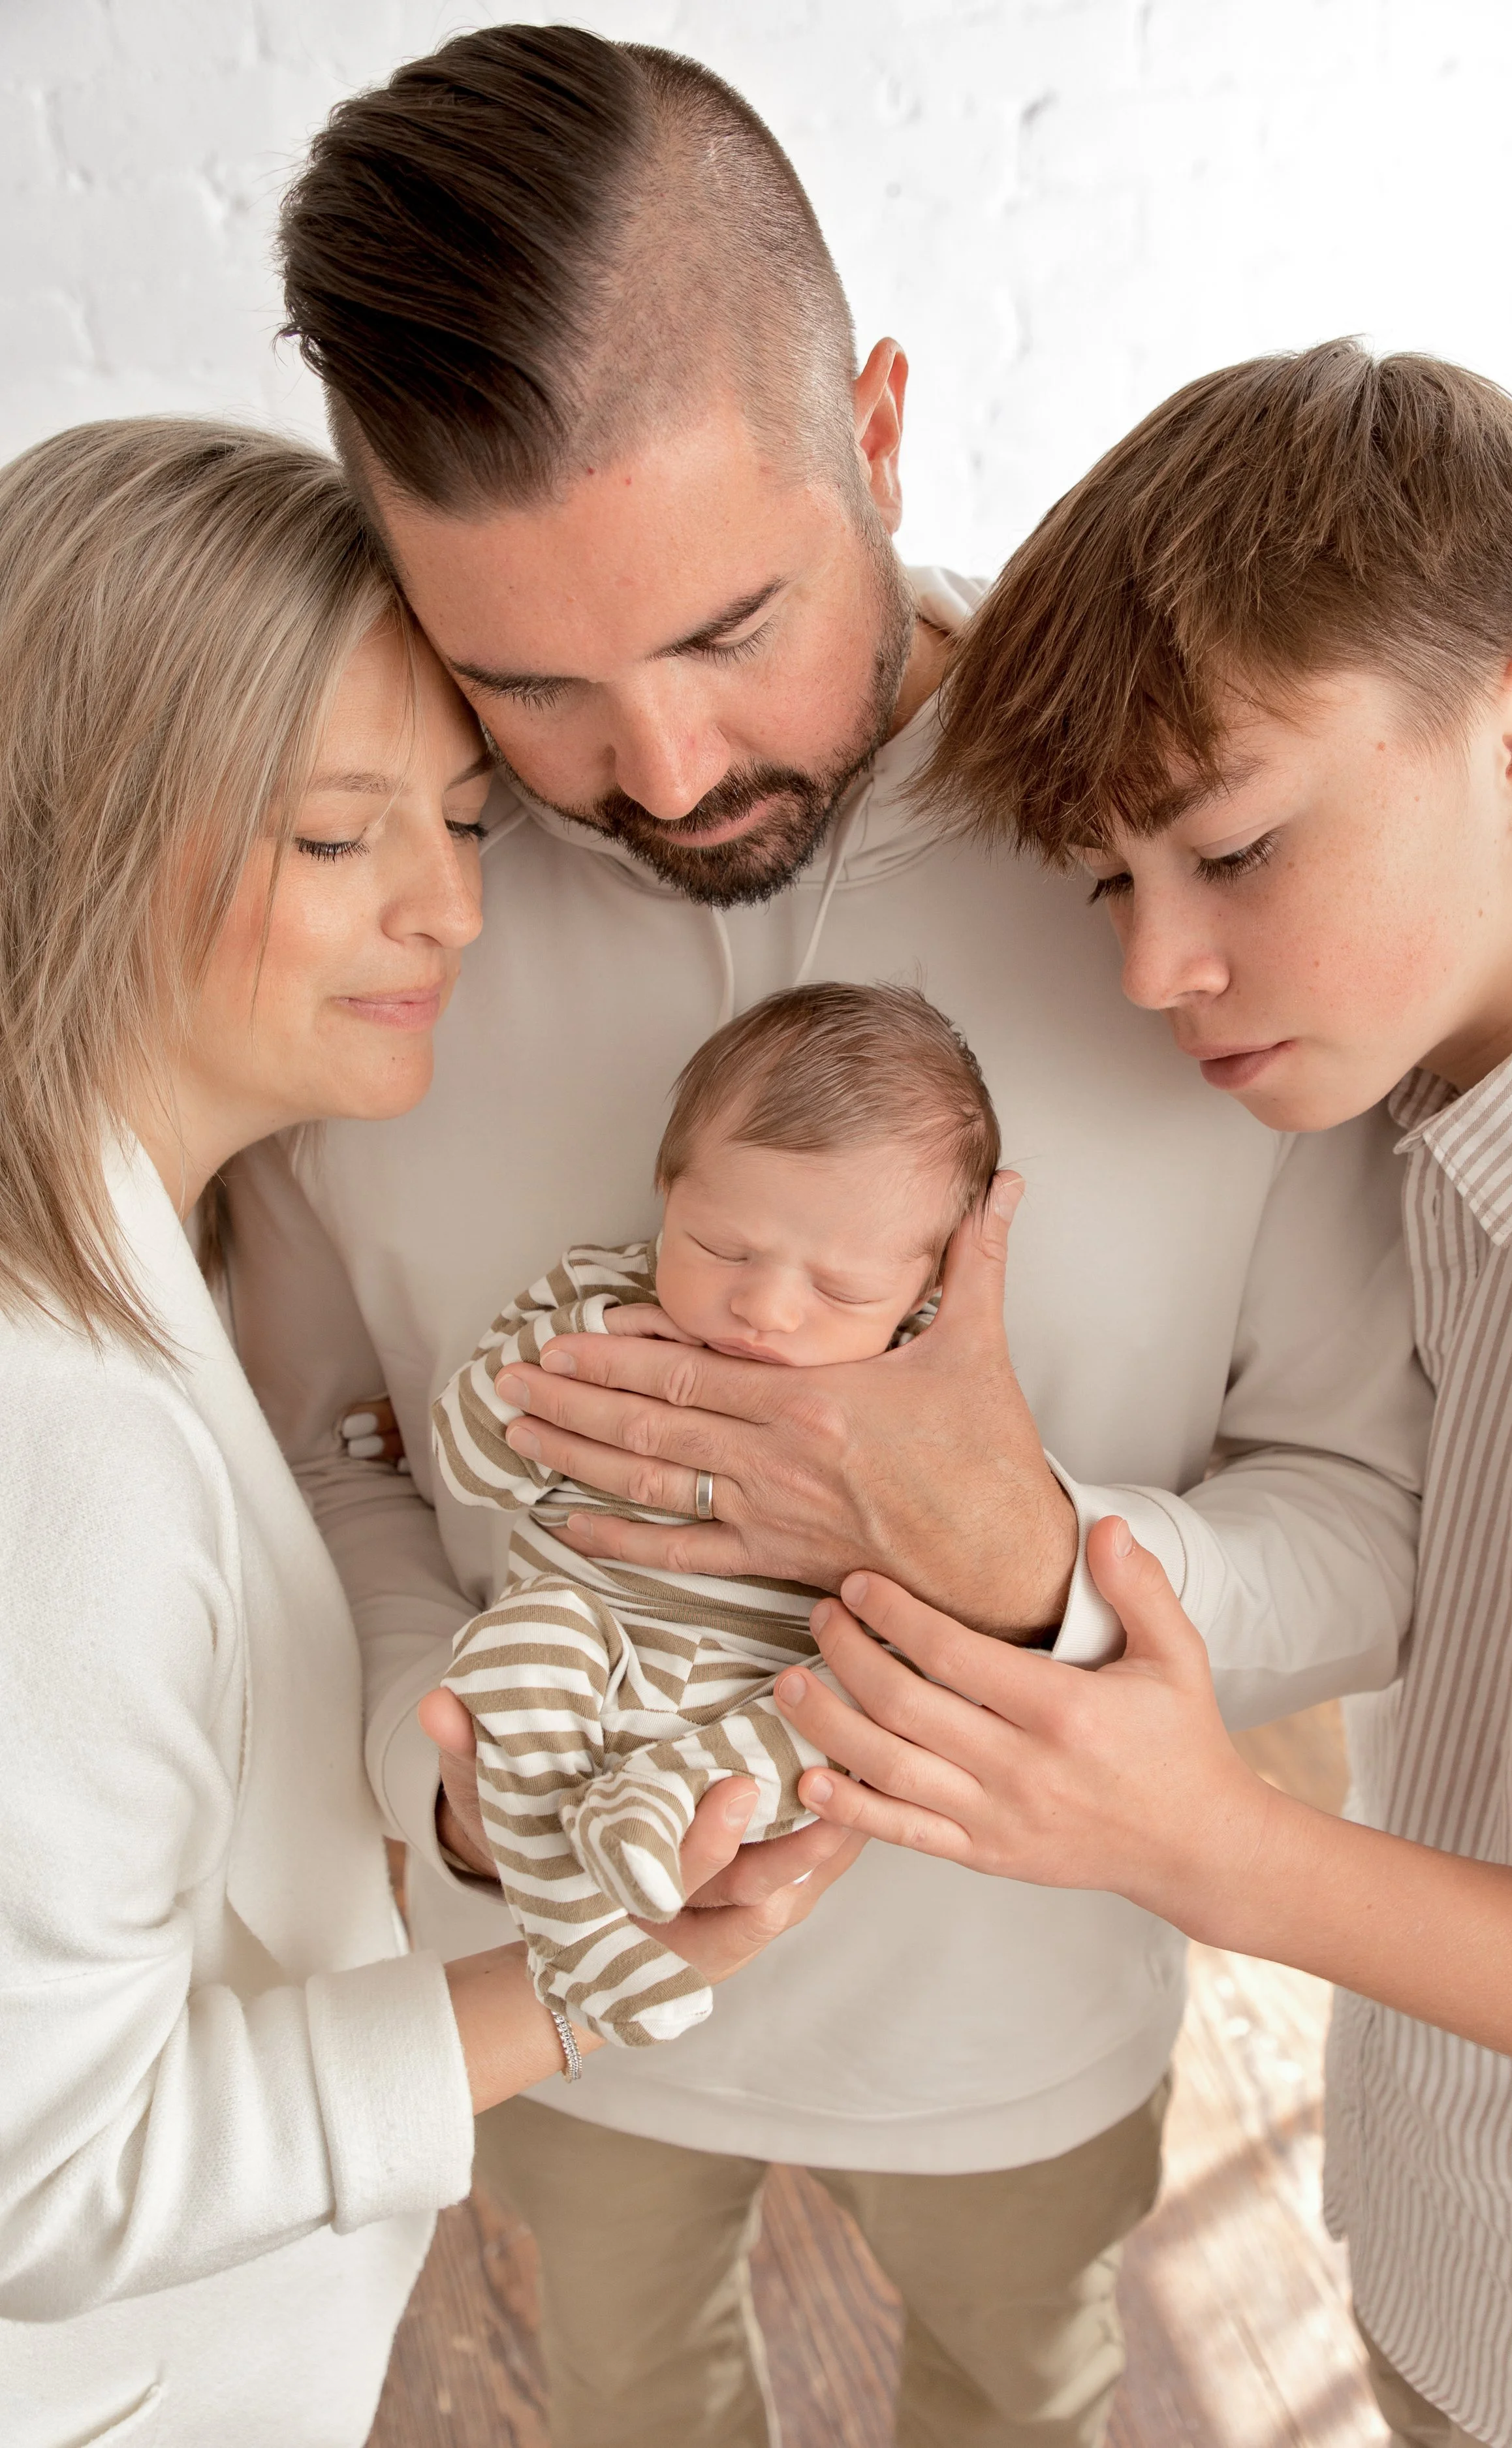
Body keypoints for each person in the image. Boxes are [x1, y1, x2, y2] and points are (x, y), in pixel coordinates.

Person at [234, 25, 1430, 2446]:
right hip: (543, 1996)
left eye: (726, 627)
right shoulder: (362, 921)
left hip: (1036, 2047)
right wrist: (431, 1756)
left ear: (879, 426)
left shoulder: (1182, 890)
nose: (659, 778)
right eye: (531, 683)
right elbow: (321, 1436)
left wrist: (1041, 1564)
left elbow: (1371, 1515)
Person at [775, 341, 1512, 2448]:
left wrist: (1205, 1844)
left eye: (1235, 853)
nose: (1157, 972)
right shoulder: (1428, 1094)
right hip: (1473, 2280)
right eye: (1114, 884)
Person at [0, 416, 851, 2448]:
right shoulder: (69, 1434)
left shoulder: (159, 1262)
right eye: (333, 836)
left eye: (463, 823)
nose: (448, 913)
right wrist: (574, 1983)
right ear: (74, 827)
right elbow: (44, 2170)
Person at [433, 982, 1000, 2047]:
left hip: (753, 1710)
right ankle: (578, 1938)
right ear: (667, 1190)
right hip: (579, 1664)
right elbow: (462, 1460)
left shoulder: (912, 1401)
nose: (766, 1309)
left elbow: (963, 1564)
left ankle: (657, 1798)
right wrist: (544, 1374)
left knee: (859, 1709)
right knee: (520, 1647)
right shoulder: (595, 1303)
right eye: (724, 1248)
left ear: (924, 1296)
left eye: (838, 1289)